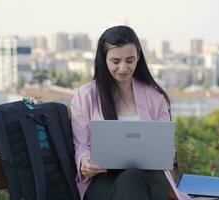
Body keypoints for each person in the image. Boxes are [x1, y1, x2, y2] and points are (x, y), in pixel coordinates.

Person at [70, 25, 191, 200]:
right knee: (131, 180)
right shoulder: (86, 95)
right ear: (103, 59)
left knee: (133, 177)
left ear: (138, 58)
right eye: (115, 61)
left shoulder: (155, 97)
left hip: (149, 178)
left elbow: (164, 146)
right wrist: (84, 161)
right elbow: (81, 144)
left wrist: (168, 154)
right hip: (104, 180)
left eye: (130, 60)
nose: (123, 68)